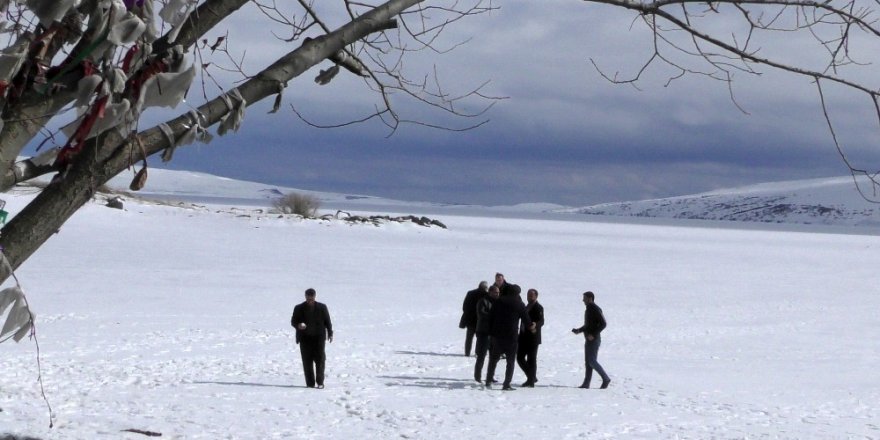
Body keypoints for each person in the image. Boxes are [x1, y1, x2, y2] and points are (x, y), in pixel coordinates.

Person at [485, 284, 534, 390]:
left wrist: (491, 332)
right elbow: (526, 320)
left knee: (493, 359)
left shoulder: (498, 301)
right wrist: (532, 326)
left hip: (497, 335)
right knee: (510, 362)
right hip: (511, 336)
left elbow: (490, 316)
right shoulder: (519, 304)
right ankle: (506, 384)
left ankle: (488, 380)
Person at [291, 288, 333, 389]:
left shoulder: (322, 307)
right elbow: (293, 321)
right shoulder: (298, 308)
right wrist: (298, 325)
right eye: (308, 298)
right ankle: (310, 383)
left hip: (318, 338)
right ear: (305, 297)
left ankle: (320, 382)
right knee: (307, 361)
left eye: (312, 298)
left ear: (315, 297)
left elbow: (327, 321)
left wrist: (330, 333)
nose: (310, 300)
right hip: (305, 338)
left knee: (320, 360)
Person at [571, 291, 610, 389]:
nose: (583, 300)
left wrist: (593, 334)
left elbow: (603, 324)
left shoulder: (594, 308)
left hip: (594, 339)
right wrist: (579, 330)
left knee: (592, 361)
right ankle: (586, 383)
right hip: (588, 338)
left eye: (584, 298)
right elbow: (588, 325)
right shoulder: (588, 309)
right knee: (588, 362)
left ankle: (605, 378)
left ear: (590, 298)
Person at [516, 288, 544, 387]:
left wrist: (535, 324)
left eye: (531, 295)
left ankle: (531, 381)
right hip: (523, 337)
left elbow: (541, 321)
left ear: (536, 296)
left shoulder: (538, 307)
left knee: (531, 359)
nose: (529, 297)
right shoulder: (525, 306)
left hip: (533, 337)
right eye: (528, 295)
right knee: (519, 358)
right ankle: (532, 377)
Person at [474, 284, 500, 383]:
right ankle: (478, 376)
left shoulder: (498, 302)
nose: (497, 294)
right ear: (490, 292)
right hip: (484, 333)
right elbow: (481, 314)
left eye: (498, 293)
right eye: (495, 292)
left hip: (494, 333)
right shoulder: (483, 301)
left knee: (493, 357)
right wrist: (494, 316)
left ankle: (490, 376)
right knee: (481, 355)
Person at [460, 281, 489, 356]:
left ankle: (467, 353)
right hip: (481, 320)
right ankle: (478, 352)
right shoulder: (486, 295)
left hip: (470, 320)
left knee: (469, 337)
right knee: (480, 338)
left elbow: (464, 306)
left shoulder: (470, 293)